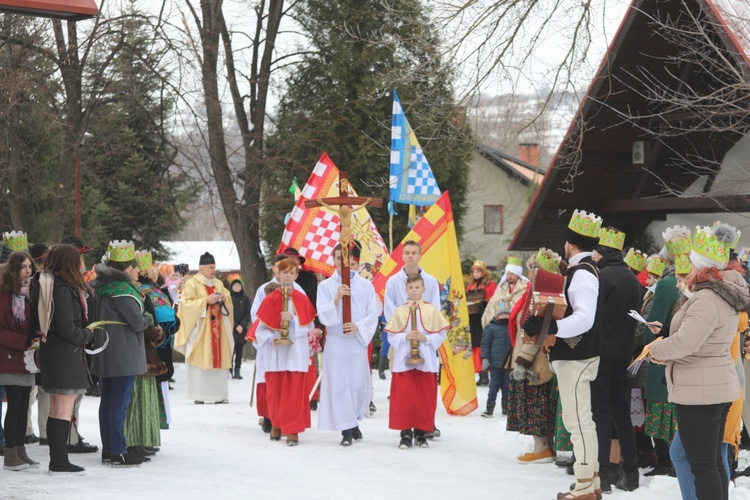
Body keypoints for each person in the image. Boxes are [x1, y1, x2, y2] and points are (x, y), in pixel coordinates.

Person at [649, 222, 749, 500]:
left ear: (702, 267)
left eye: (692, 264)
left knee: (704, 466)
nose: (688, 269)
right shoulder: (719, 294)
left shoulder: (707, 297)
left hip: (702, 392)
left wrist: (657, 349)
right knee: (711, 463)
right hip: (712, 386)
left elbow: (687, 342)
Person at [523, 209, 603, 500]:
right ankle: (590, 482)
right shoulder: (585, 271)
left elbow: (584, 319)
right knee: (580, 420)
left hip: (577, 355)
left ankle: (584, 486)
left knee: (578, 421)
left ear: (570, 244)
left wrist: (551, 329)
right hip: (576, 355)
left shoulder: (582, 273)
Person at [90, 241, 156, 467]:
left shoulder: (100, 286)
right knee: (119, 402)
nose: (137, 271)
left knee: (108, 401)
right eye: (135, 266)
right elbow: (137, 322)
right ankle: (118, 450)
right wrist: (149, 317)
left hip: (106, 349)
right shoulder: (122, 290)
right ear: (126, 268)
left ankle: (109, 449)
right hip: (123, 353)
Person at [590, 227, 643, 492]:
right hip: (624, 356)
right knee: (622, 415)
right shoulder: (634, 281)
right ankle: (631, 473)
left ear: (601, 252)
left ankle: (605, 474)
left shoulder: (601, 277)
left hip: (600, 355)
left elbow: (593, 319)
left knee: (600, 415)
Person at [35, 244, 95, 474]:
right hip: (64, 354)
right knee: (62, 409)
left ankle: (58, 459)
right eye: (78, 260)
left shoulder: (57, 286)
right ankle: (59, 460)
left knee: (57, 409)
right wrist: (87, 335)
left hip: (57, 353)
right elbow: (67, 327)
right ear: (69, 262)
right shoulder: (62, 289)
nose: (81, 264)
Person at [317, 242, 379, 446]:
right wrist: (336, 299)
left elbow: (373, 313)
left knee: (357, 384)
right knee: (340, 385)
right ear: (333, 260)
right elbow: (323, 314)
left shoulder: (366, 286)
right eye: (338, 259)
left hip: (355, 342)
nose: (344, 264)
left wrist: (359, 326)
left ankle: (353, 422)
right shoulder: (326, 286)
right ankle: (346, 429)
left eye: (349, 262)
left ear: (356, 263)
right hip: (336, 342)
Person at [506, 248, 563, 463]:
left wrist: (522, 361)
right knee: (541, 405)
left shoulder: (540, 295)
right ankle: (548, 447)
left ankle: (542, 448)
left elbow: (534, 331)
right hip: (538, 358)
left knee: (535, 405)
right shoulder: (547, 292)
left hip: (534, 361)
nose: (529, 275)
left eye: (532, 270)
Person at [254, 257, 316, 446]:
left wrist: (294, 320)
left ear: (296, 275)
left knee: (294, 393)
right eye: (285, 272)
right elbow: (260, 330)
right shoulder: (270, 298)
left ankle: (293, 430)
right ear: (278, 274)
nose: (288, 276)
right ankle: (277, 425)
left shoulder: (302, 298)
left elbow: (309, 325)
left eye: (292, 273)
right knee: (275, 392)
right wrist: (270, 338)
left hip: (295, 352)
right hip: (276, 353)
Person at [385, 274, 449, 449]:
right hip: (404, 360)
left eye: (417, 287)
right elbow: (391, 334)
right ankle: (405, 433)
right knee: (405, 398)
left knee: (423, 396)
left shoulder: (431, 310)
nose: (414, 291)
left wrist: (426, 338)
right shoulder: (400, 310)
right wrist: (405, 336)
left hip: (425, 360)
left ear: (423, 289)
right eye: (411, 288)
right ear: (406, 290)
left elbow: (441, 333)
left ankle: (421, 433)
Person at [644, 228, 687, 477]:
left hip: (664, 355)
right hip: (687, 356)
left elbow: (654, 325)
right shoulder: (694, 282)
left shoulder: (668, 284)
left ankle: (664, 461)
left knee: (661, 407)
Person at [174, 252, 234, 404]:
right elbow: (185, 305)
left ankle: (219, 395)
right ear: (201, 269)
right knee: (199, 359)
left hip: (218, 329)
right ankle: (199, 395)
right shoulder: (192, 284)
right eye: (210, 267)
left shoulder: (218, 283)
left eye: (214, 267)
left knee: (218, 359)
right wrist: (205, 301)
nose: (213, 270)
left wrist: (223, 298)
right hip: (200, 331)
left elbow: (227, 297)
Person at [0, 251, 40, 470]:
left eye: (30, 267)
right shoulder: (5, 294)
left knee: (24, 404)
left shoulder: (28, 293)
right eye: (23, 267)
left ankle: (20, 449)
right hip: (9, 356)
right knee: (15, 404)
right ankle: (10, 454)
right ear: (13, 269)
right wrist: (23, 340)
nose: (28, 271)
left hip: (26, 358)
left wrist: (35, 334)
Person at [466, 260, 497, 386]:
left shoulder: (490, 285)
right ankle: (480, 373)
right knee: (475, 345)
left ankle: (486, 374)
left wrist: (482, 308)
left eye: (478, 271)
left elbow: (493, 302)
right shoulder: (470, 286)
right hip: (473, 319)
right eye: (474, 271)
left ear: (483, 272)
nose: (475, 274)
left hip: (485, 319)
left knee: (484, 345)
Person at [229, 279, 251, 380]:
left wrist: (242, 325)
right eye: (235, 285)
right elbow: (227, 313)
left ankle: (237, 370)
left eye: (239, 285)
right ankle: (229, 371)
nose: (237, 287)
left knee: (239, 351)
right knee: (230, 351)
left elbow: (248, 313)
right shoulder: (228, 298)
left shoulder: (245, 298)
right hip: (230, 329)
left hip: (241, 330)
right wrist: (235, 325)